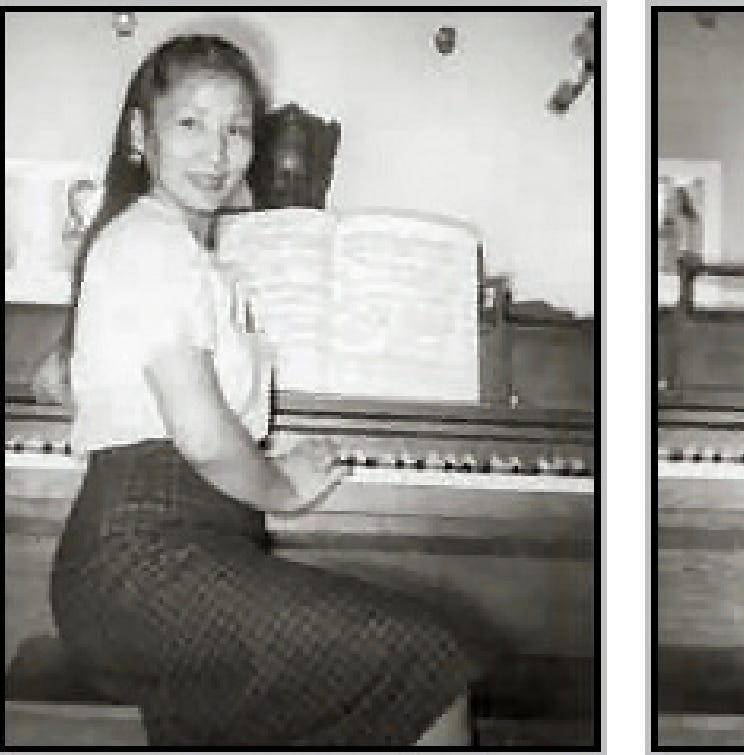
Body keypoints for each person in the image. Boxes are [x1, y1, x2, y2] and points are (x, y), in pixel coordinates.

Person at [45, 34, 483, 746]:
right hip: (143, 566)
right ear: (139, 132)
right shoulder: (152, 245)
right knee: (424, 661)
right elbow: (202, 435)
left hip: (168, 551)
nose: (216, 153)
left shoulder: (163, 248)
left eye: (236, 129)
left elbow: (57, 376)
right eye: (190, 123)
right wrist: (284, 485)